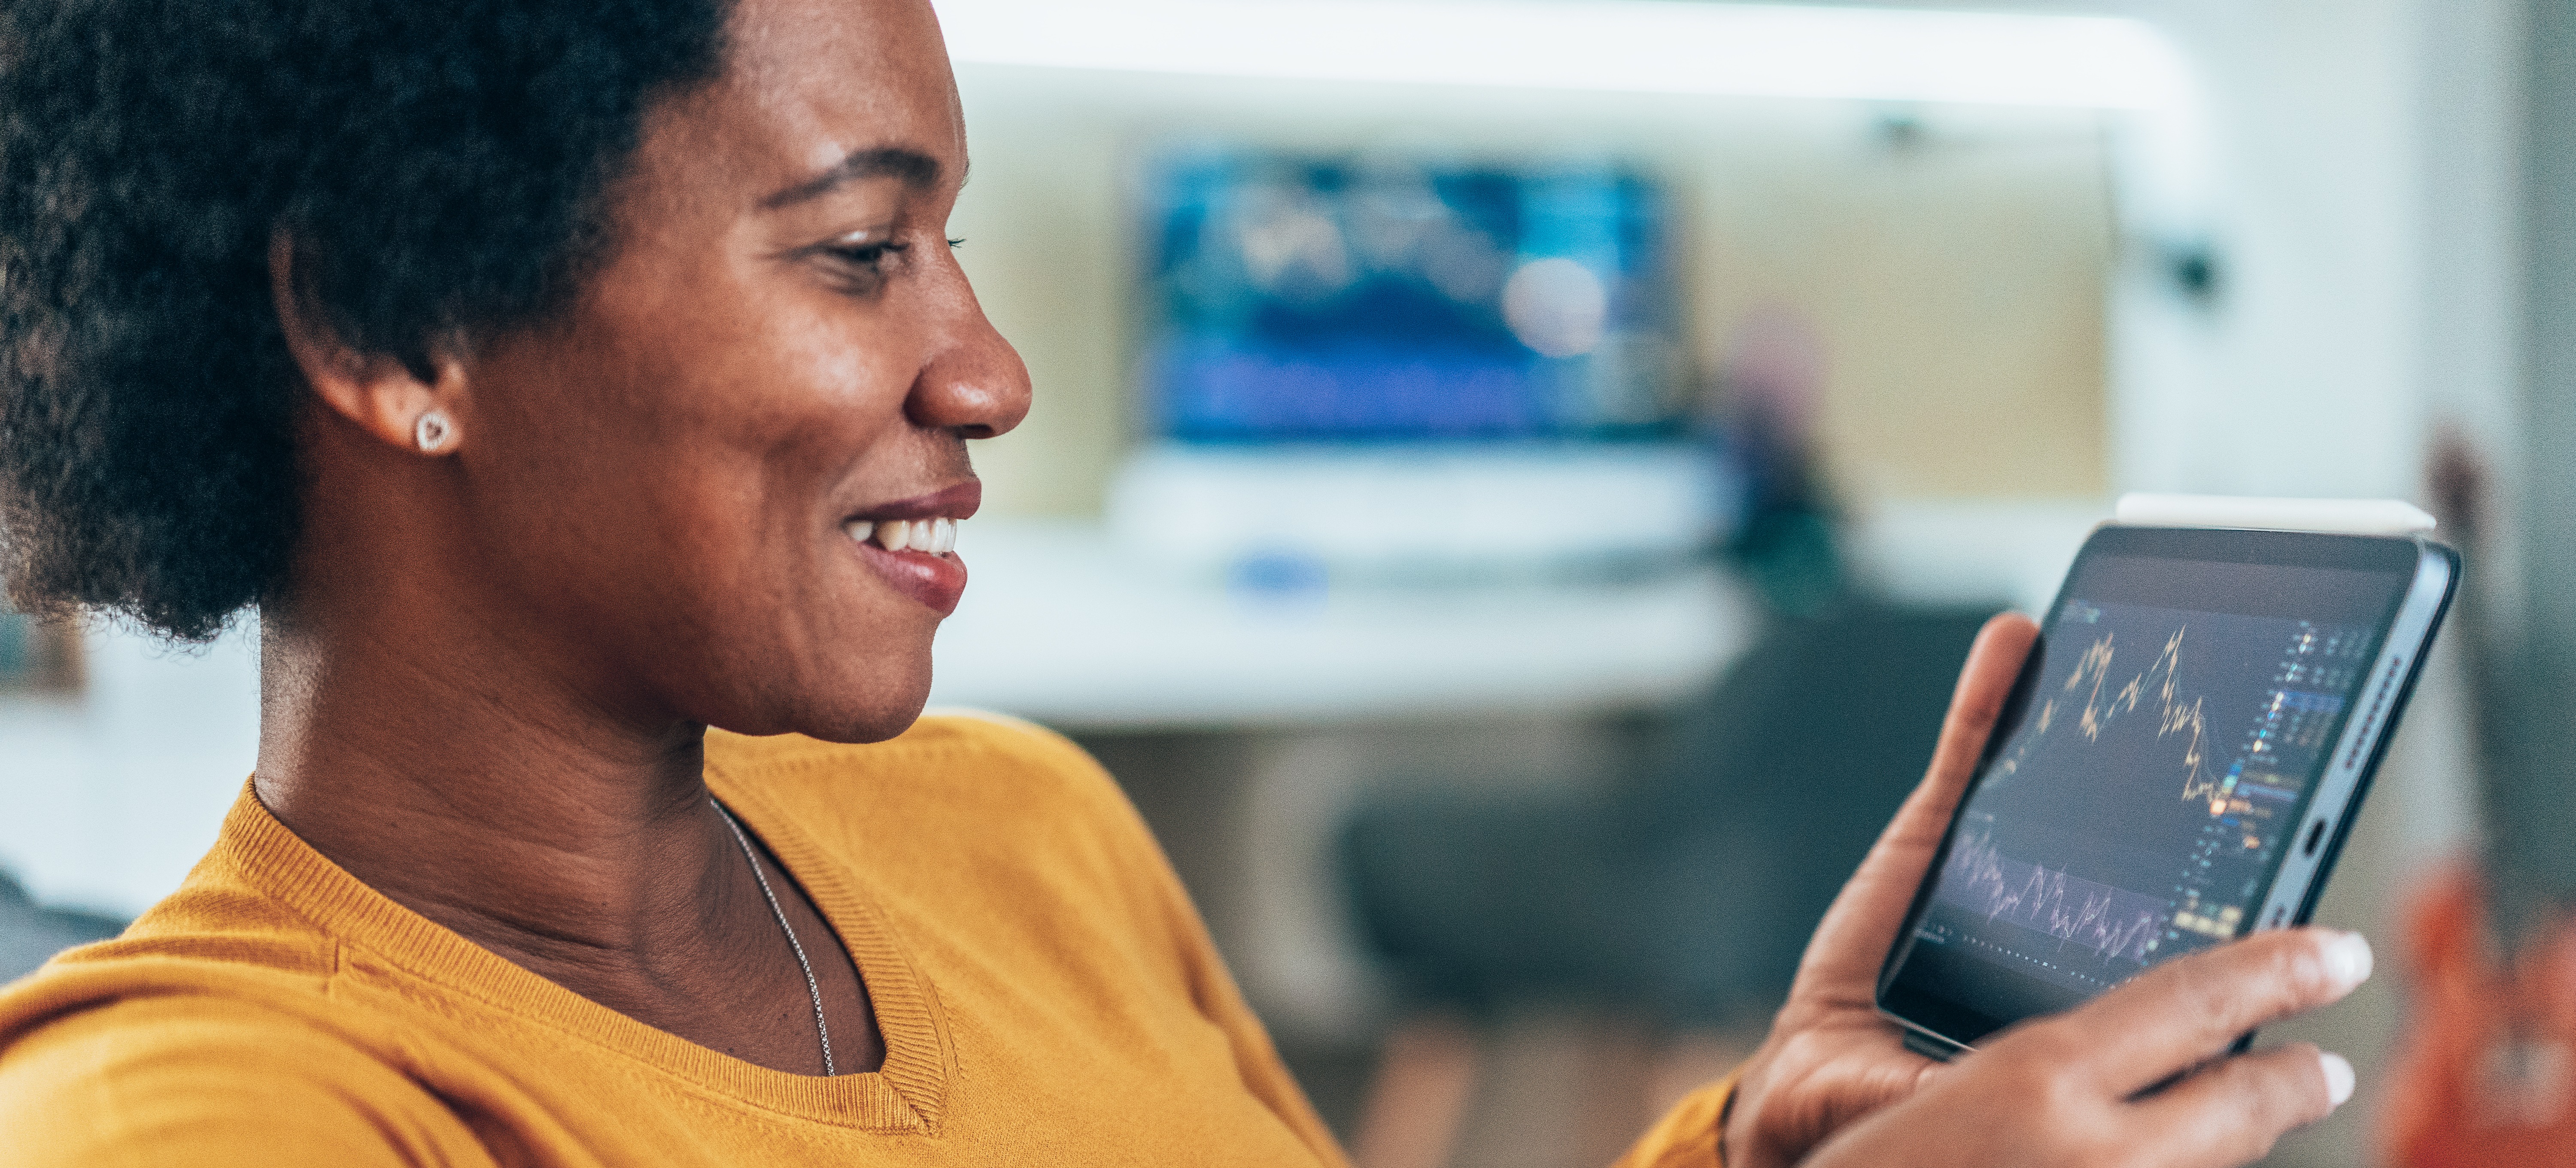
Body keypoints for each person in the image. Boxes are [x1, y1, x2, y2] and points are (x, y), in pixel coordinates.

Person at [0, 0, 2368, 1163]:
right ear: (392, 330)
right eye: (856, 254)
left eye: (952, 244)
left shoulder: (1013, 831)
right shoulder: (225, 1119)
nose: (996, 370)